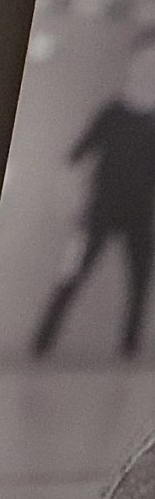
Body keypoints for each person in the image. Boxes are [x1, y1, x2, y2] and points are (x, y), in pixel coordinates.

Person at [35, 34, 155, 358]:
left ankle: (130, 347)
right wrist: (68, 200)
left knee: (140, 282)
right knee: (73, 275)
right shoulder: (112, 113)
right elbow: (76, 157)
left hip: (140, 214)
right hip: (99, 212)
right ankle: (42, 342)